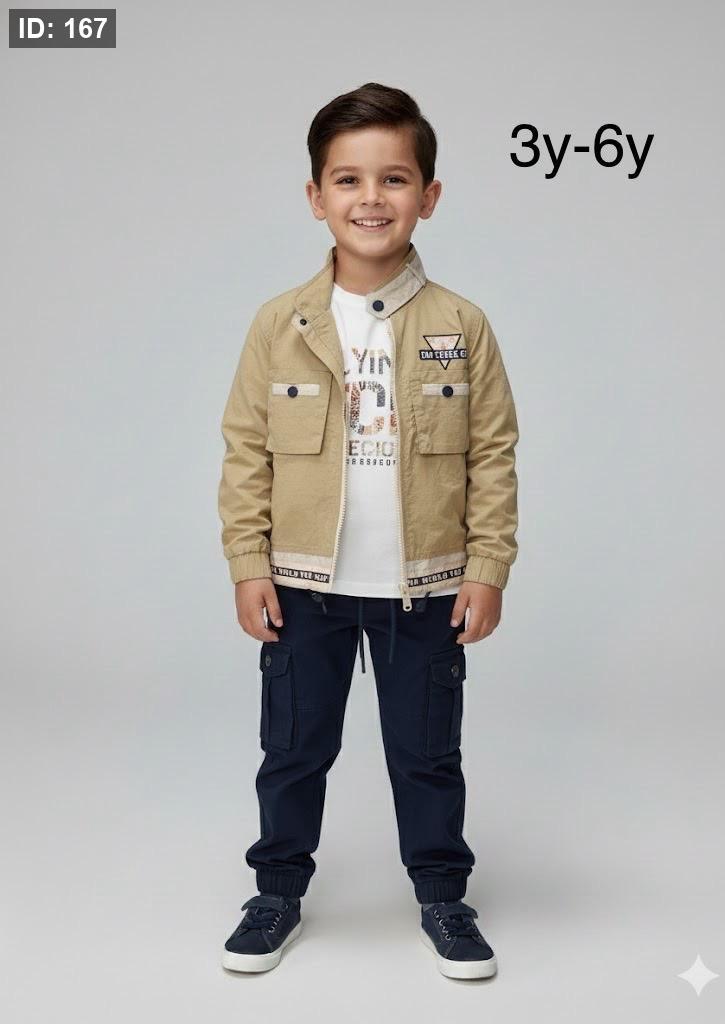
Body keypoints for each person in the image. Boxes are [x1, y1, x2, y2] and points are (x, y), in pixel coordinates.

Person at [217, 82, 519, 981]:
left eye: (394, 178)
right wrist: (247, 561)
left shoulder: (460, 325)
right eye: (348, 180)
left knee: (426, 754)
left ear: (428, 194)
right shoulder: (279, 324)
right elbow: (245, 450)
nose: (371, 198)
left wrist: (487, 566)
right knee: (293, 748)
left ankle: (443, 896)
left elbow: (493, 454)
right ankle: (276, 891)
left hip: (421, 588)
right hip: (303, 584)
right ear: (317, 197)